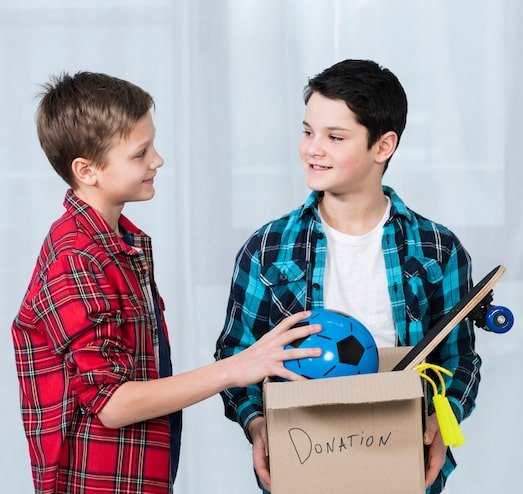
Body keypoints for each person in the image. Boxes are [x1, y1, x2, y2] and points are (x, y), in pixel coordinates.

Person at [11, 71, 322, 494]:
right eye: (140, 153)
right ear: (87, 170)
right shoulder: (77, 258)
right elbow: (112, 404)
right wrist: (236, 368)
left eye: (152, 145)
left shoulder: (118, 244)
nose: (157, 160)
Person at [215, 59, 482, 494]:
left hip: (402, 461)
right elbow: (236, 354)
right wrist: (257, 423)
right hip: (304, 460)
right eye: (308, 132)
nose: (312, 149)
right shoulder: (267, 249)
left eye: (335, 137)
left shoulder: (437, 249)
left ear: (383, 146)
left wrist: (442, 418)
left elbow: (459, 358)